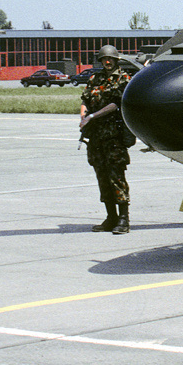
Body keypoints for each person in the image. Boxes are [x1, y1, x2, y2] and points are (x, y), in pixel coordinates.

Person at [79, 45, 134, 234]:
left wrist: (93, 117)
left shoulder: (124, 79)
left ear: (116, 60)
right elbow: (85, 100)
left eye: (110, 59)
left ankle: (124, 219)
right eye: (104, 59)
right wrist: (83, 118)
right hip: (96, 137)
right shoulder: (95, 78)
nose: (107, 62)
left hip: (113, 137)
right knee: (102, 177)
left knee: (116, 177)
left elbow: (115, 104)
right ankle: (111, 218)